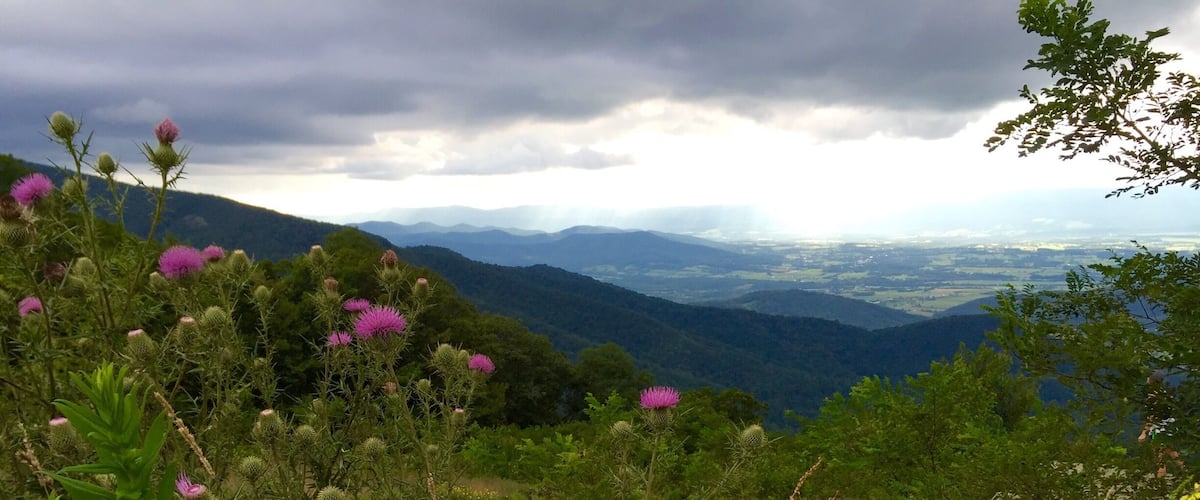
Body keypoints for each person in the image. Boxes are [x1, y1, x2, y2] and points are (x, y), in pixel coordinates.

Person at [1139, 369, 1184, 478]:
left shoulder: (1152, 396)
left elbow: (1153, 415)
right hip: (1170, 425)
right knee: (1172, 452)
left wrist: (1144, 432)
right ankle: (1188, 475)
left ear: (1151, 379)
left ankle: (1160, 481)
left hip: (1160, 428)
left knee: (1160, 454)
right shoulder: (1166, 392)